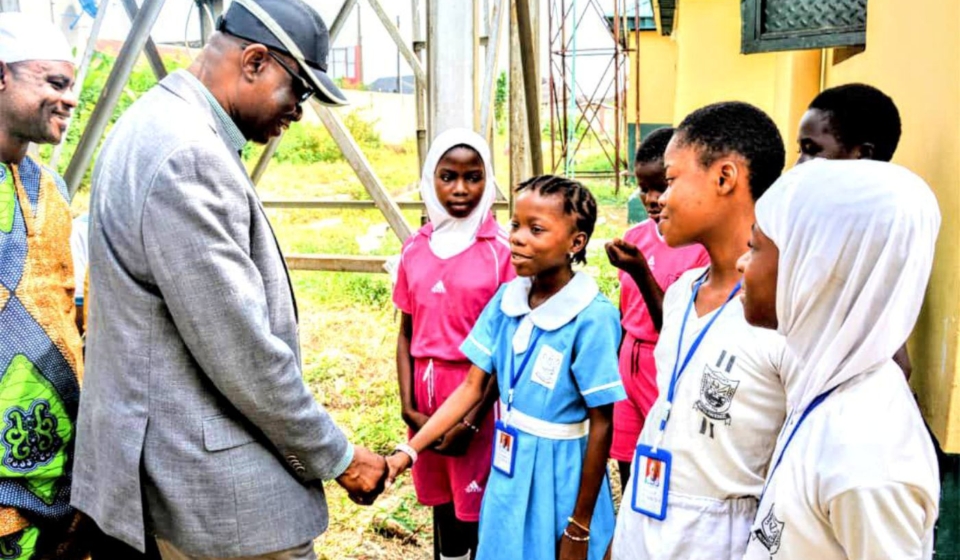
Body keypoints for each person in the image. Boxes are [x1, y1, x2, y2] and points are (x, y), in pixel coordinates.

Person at [72, 1, 387, 559]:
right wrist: (339, 456)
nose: (300, 113)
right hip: (217, 495)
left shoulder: (156, 121)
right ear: (255, 61)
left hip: (168, 459)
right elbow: (240, 350)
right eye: (300, 92)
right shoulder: (188, 154)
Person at [388, 175, 626, 560]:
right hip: (509, 468)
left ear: (576, 243)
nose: (517, 237)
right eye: (515, 225)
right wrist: (409, 452)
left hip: (559, 474)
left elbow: (603, 423)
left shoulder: (592, 317)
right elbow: (471, 387)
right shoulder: (507, 299)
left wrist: (580, 525)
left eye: (536, 230)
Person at [611, 102, 788, 560]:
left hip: (721, 539)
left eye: (669, 181)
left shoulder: (782, 313)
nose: (658, 199)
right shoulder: (682, 292)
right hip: (646, 515)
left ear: (724, 177)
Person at [738, 159, 940, 559]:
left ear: (815, 268)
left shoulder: (866, 455)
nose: (741, 263)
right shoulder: (826, 383)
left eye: (754, 247)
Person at [392, 128, 513, 560]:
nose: (460, 189)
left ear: (488, 180)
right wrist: (408, 406)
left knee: (477, 510)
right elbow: (406, 331)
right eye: (448, 176)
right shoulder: (414, 250)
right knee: (441, 506)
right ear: (430, 179)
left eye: (473, 176)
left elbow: (508, 344)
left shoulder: (502, 253)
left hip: (477, 399)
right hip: (423, 400)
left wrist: (475, 420)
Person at [0, 12, 92, 560]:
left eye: (73, 85)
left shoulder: (51, 188)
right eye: (54, 83)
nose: (70, 99)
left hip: (60, 483)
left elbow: (72, 308)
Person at [604, 127, 709, 488]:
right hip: (628, 360)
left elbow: (676, 325)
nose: (651, 199)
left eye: (661, 187)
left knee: (662, 458)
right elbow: (624, 311)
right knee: (627, 459)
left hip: (663, 362)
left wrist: (640, 270)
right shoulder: (635, 237)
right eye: (643, 188)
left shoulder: (697, 248)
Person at [795, 83, 914, 378]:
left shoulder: (873, 233)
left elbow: (897, 359)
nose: (798, 165)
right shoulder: (816, 222)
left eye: (812, 151)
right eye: (800, 151)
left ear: (863, 155)